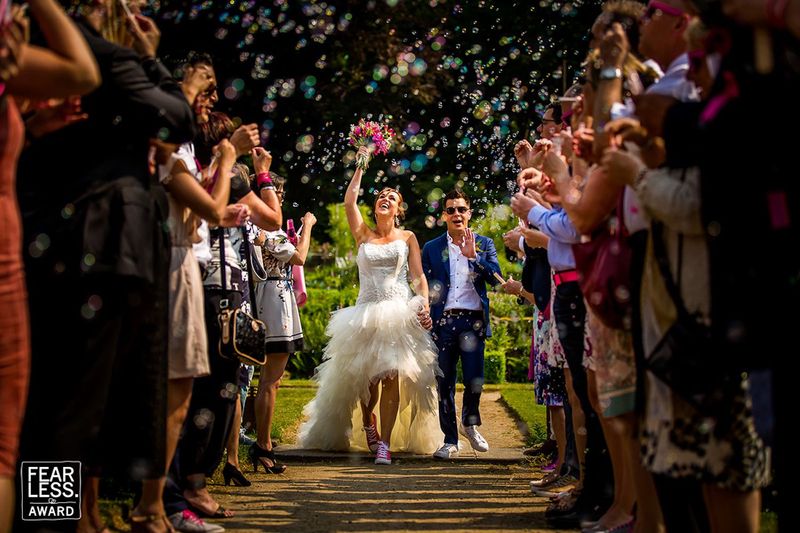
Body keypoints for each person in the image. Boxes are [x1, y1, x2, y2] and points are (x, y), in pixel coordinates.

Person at [0, 1, 99, 530]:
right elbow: (85, 68)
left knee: (47, 410)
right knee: (45, 411)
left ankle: (52, 519)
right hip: (32, 257)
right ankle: (51, 520)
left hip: (41, 254)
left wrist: (33, 128)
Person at [298, 146, 441, 465]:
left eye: (392, 196)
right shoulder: (362, 234)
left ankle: (384, 445)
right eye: (381, 195)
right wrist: (361, 163)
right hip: (364, 313)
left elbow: (418, 276)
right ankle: (367, 423)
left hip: (398, 311)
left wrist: (424, 305)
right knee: (367, 378)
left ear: (399, 209)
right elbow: (350, 201)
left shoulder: (407, 237)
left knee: (392, 375)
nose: (385, 197)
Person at [422, 189, 503, 459]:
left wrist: (473, 257)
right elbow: (421, 284)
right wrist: (422, 310)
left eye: (461, 209)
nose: (457, 214)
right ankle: (450, 440)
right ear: (444, 215)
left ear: (469, 213)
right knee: (444, 382)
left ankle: (470, 423)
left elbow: (496, 278)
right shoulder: (432, 248)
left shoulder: (484, 243)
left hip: (473, 322)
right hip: (443, 322)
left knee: (474, 379)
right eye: (451, 210)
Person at [249, 176, 317, 474]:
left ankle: (256, 444)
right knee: (270, 381)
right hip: (275, 305)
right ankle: (263, 445)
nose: (280, 198)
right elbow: (300, 257)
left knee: (260, 380)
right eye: (277, 192)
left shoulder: (252, 226)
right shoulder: (269, 229)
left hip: (263, 298)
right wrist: (309, 226)